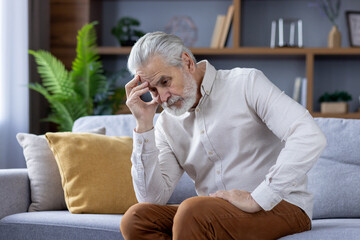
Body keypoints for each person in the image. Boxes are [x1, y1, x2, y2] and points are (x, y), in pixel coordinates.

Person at [120, 31, 327, 240]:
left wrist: (259, 198)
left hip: (281, 206)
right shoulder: (166, 124)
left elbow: (309, 135)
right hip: (211, 214)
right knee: (137, 219)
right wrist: (144, 125)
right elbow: (152, 198)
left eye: (165, 82)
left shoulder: (246, 83)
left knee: (193, 211)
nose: (162, 98)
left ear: (187, 62)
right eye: (153, 90)